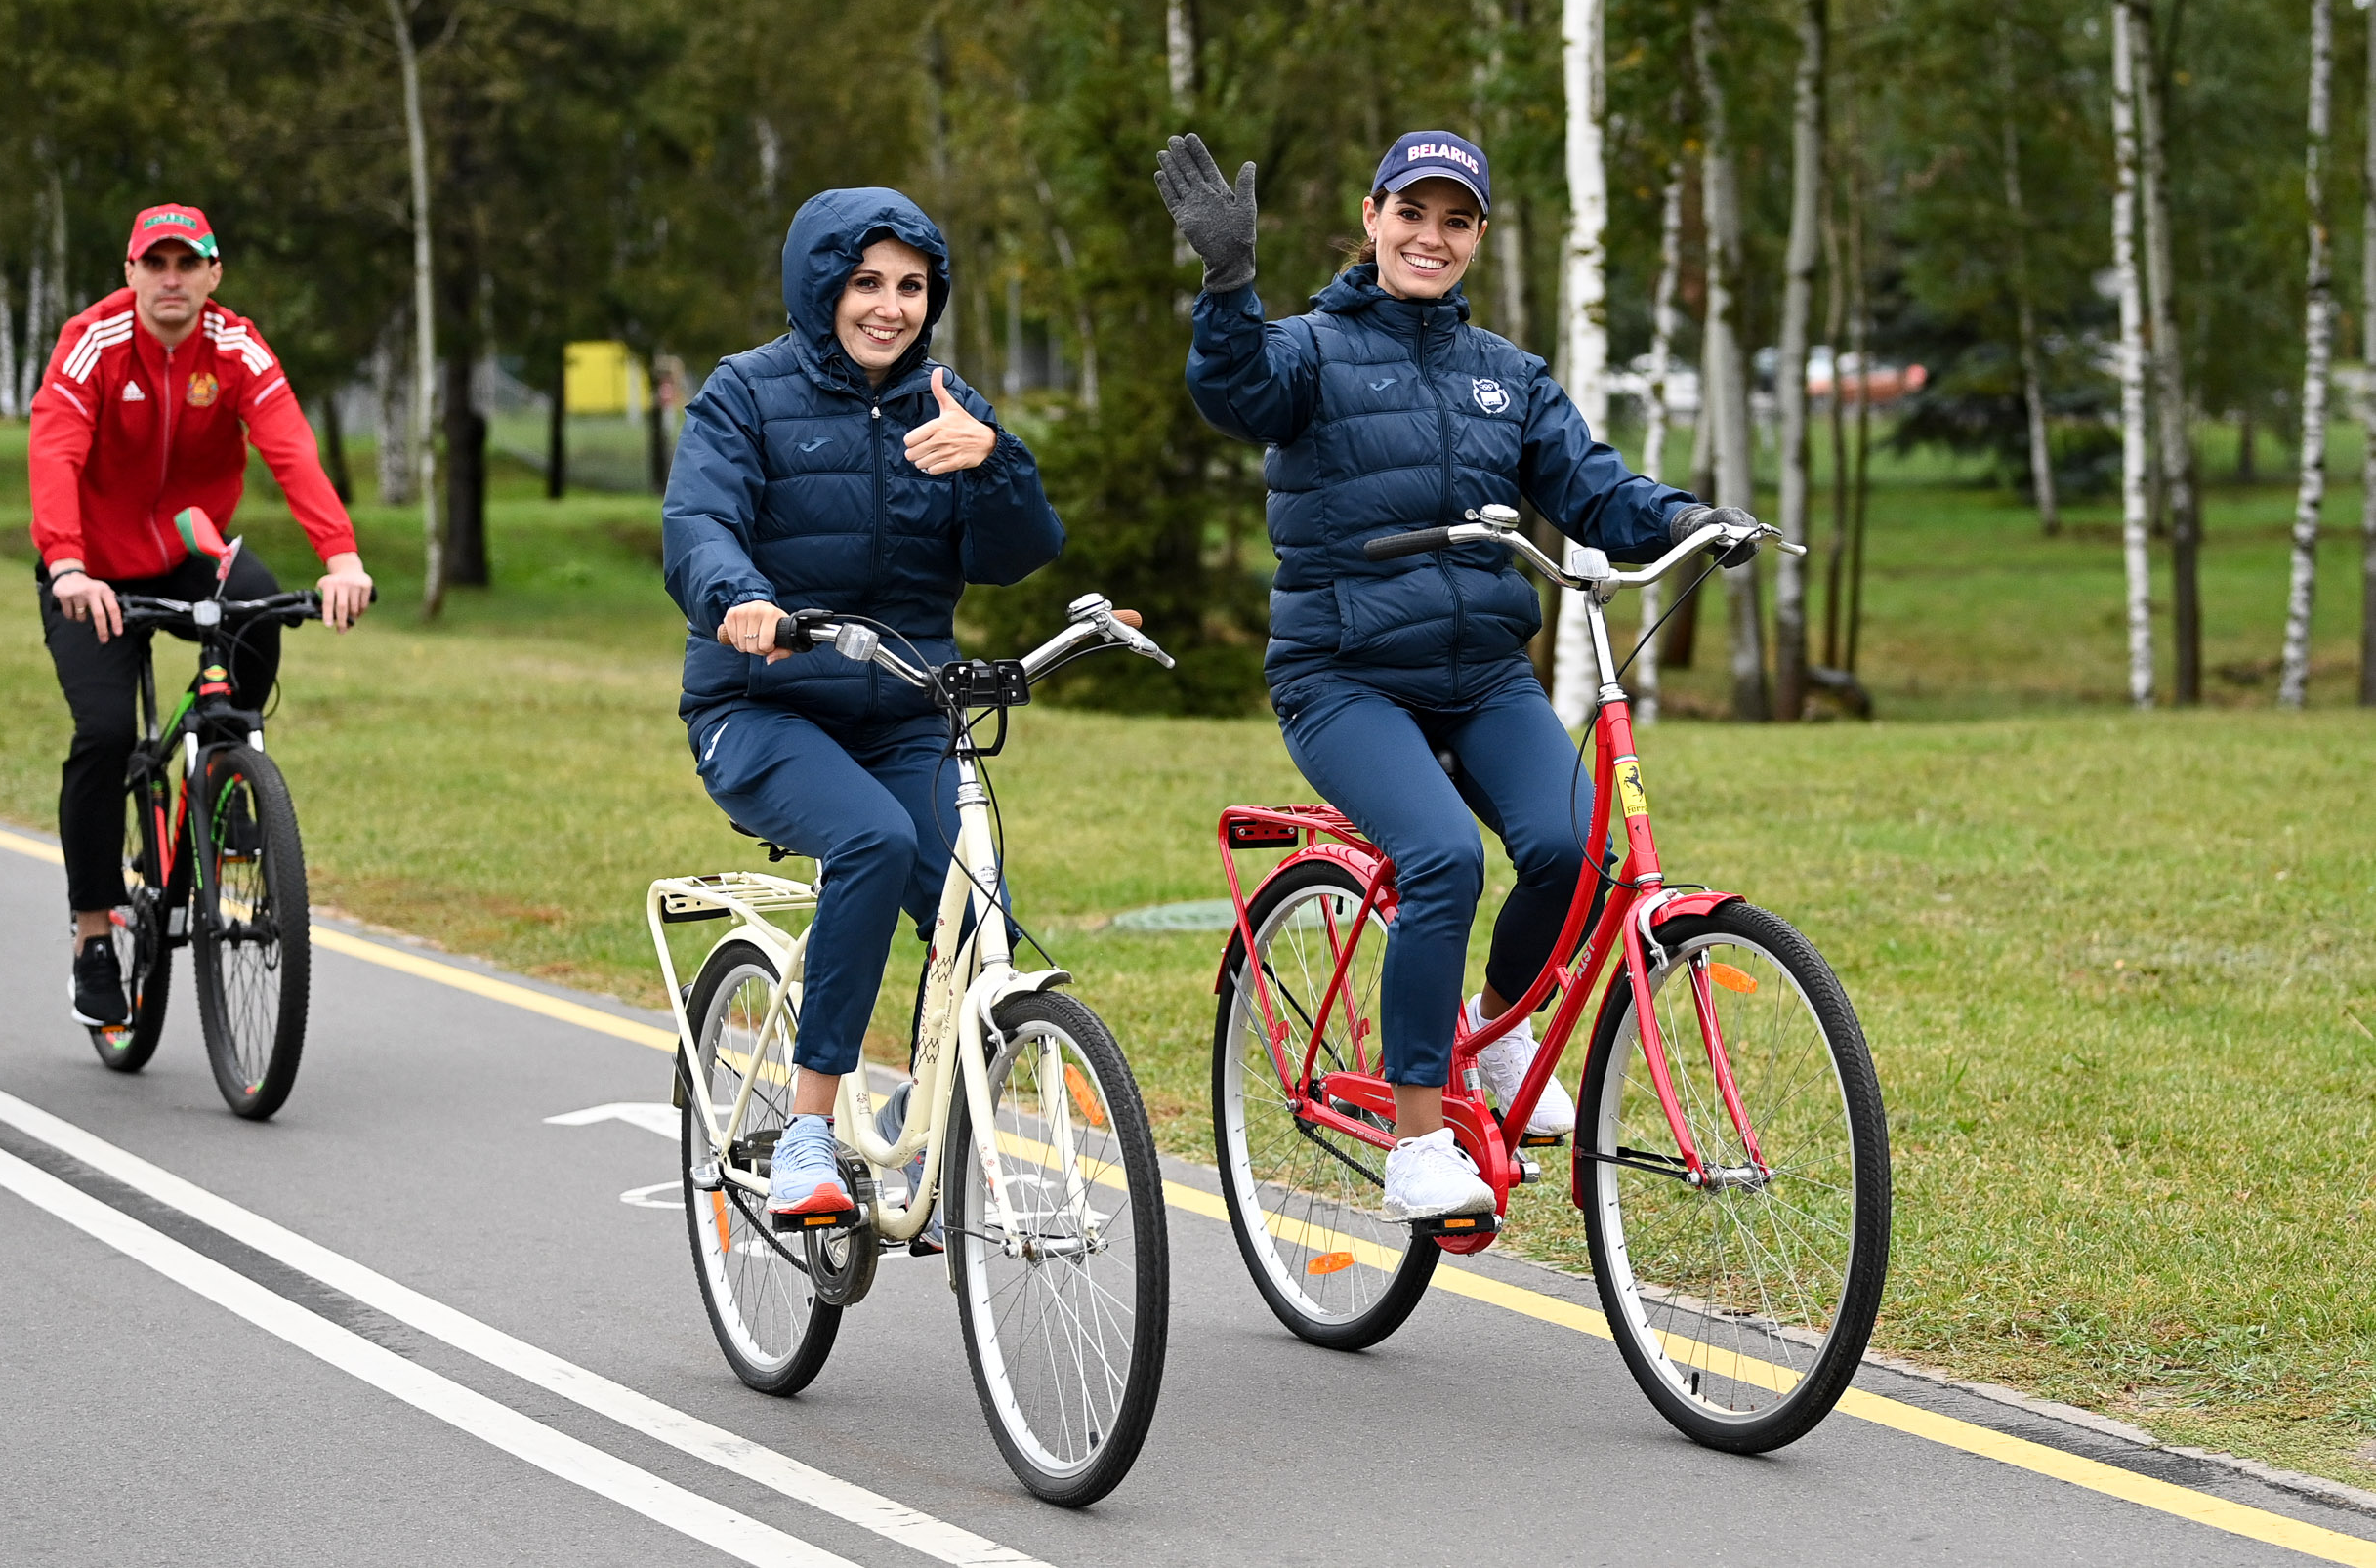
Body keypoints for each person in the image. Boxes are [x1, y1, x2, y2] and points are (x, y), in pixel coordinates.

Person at [1157, 130, 1758, 1220]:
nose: (1430, 237)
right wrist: (1229, 280)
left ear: (1478, 235)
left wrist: (1682, 518)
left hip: (1481, 671)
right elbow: (1235, 389)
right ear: (1373, 216)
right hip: (1343, 675)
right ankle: (1417, 1137)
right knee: (1441, 856)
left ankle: (1497, 1023)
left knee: (1579, 849)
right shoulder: (1308, 352)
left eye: (1456, 220)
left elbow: (1591, 487)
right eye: (1412, 213)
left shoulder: (1507, 376)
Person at [662, 187, 1063, 1226]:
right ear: (821, 287)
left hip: (906, 707)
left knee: (976, 918)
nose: (889, 306)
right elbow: (699, 520)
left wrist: (995, 462)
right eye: (866, 283)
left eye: (911, 286)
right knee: (874, 840)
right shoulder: (745, 393)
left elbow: (1017, 553)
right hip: (761, 704)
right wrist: (740, 599)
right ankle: (806, 1130)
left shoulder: (946, 400)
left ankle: (910, 1115)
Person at [30, 203, 374, 1031]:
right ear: (131, 273)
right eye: (156, 264)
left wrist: (341, 558)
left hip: (191, 549)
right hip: (91, 568)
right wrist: (67, 561)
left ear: (214, 274)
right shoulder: (93, 341)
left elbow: (291, 447)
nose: (172, 279)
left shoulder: (236, 348)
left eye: (188, 264)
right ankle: (93, 934)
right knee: (105, 733)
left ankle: (223, 772)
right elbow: (55, 446)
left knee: (260, 610)